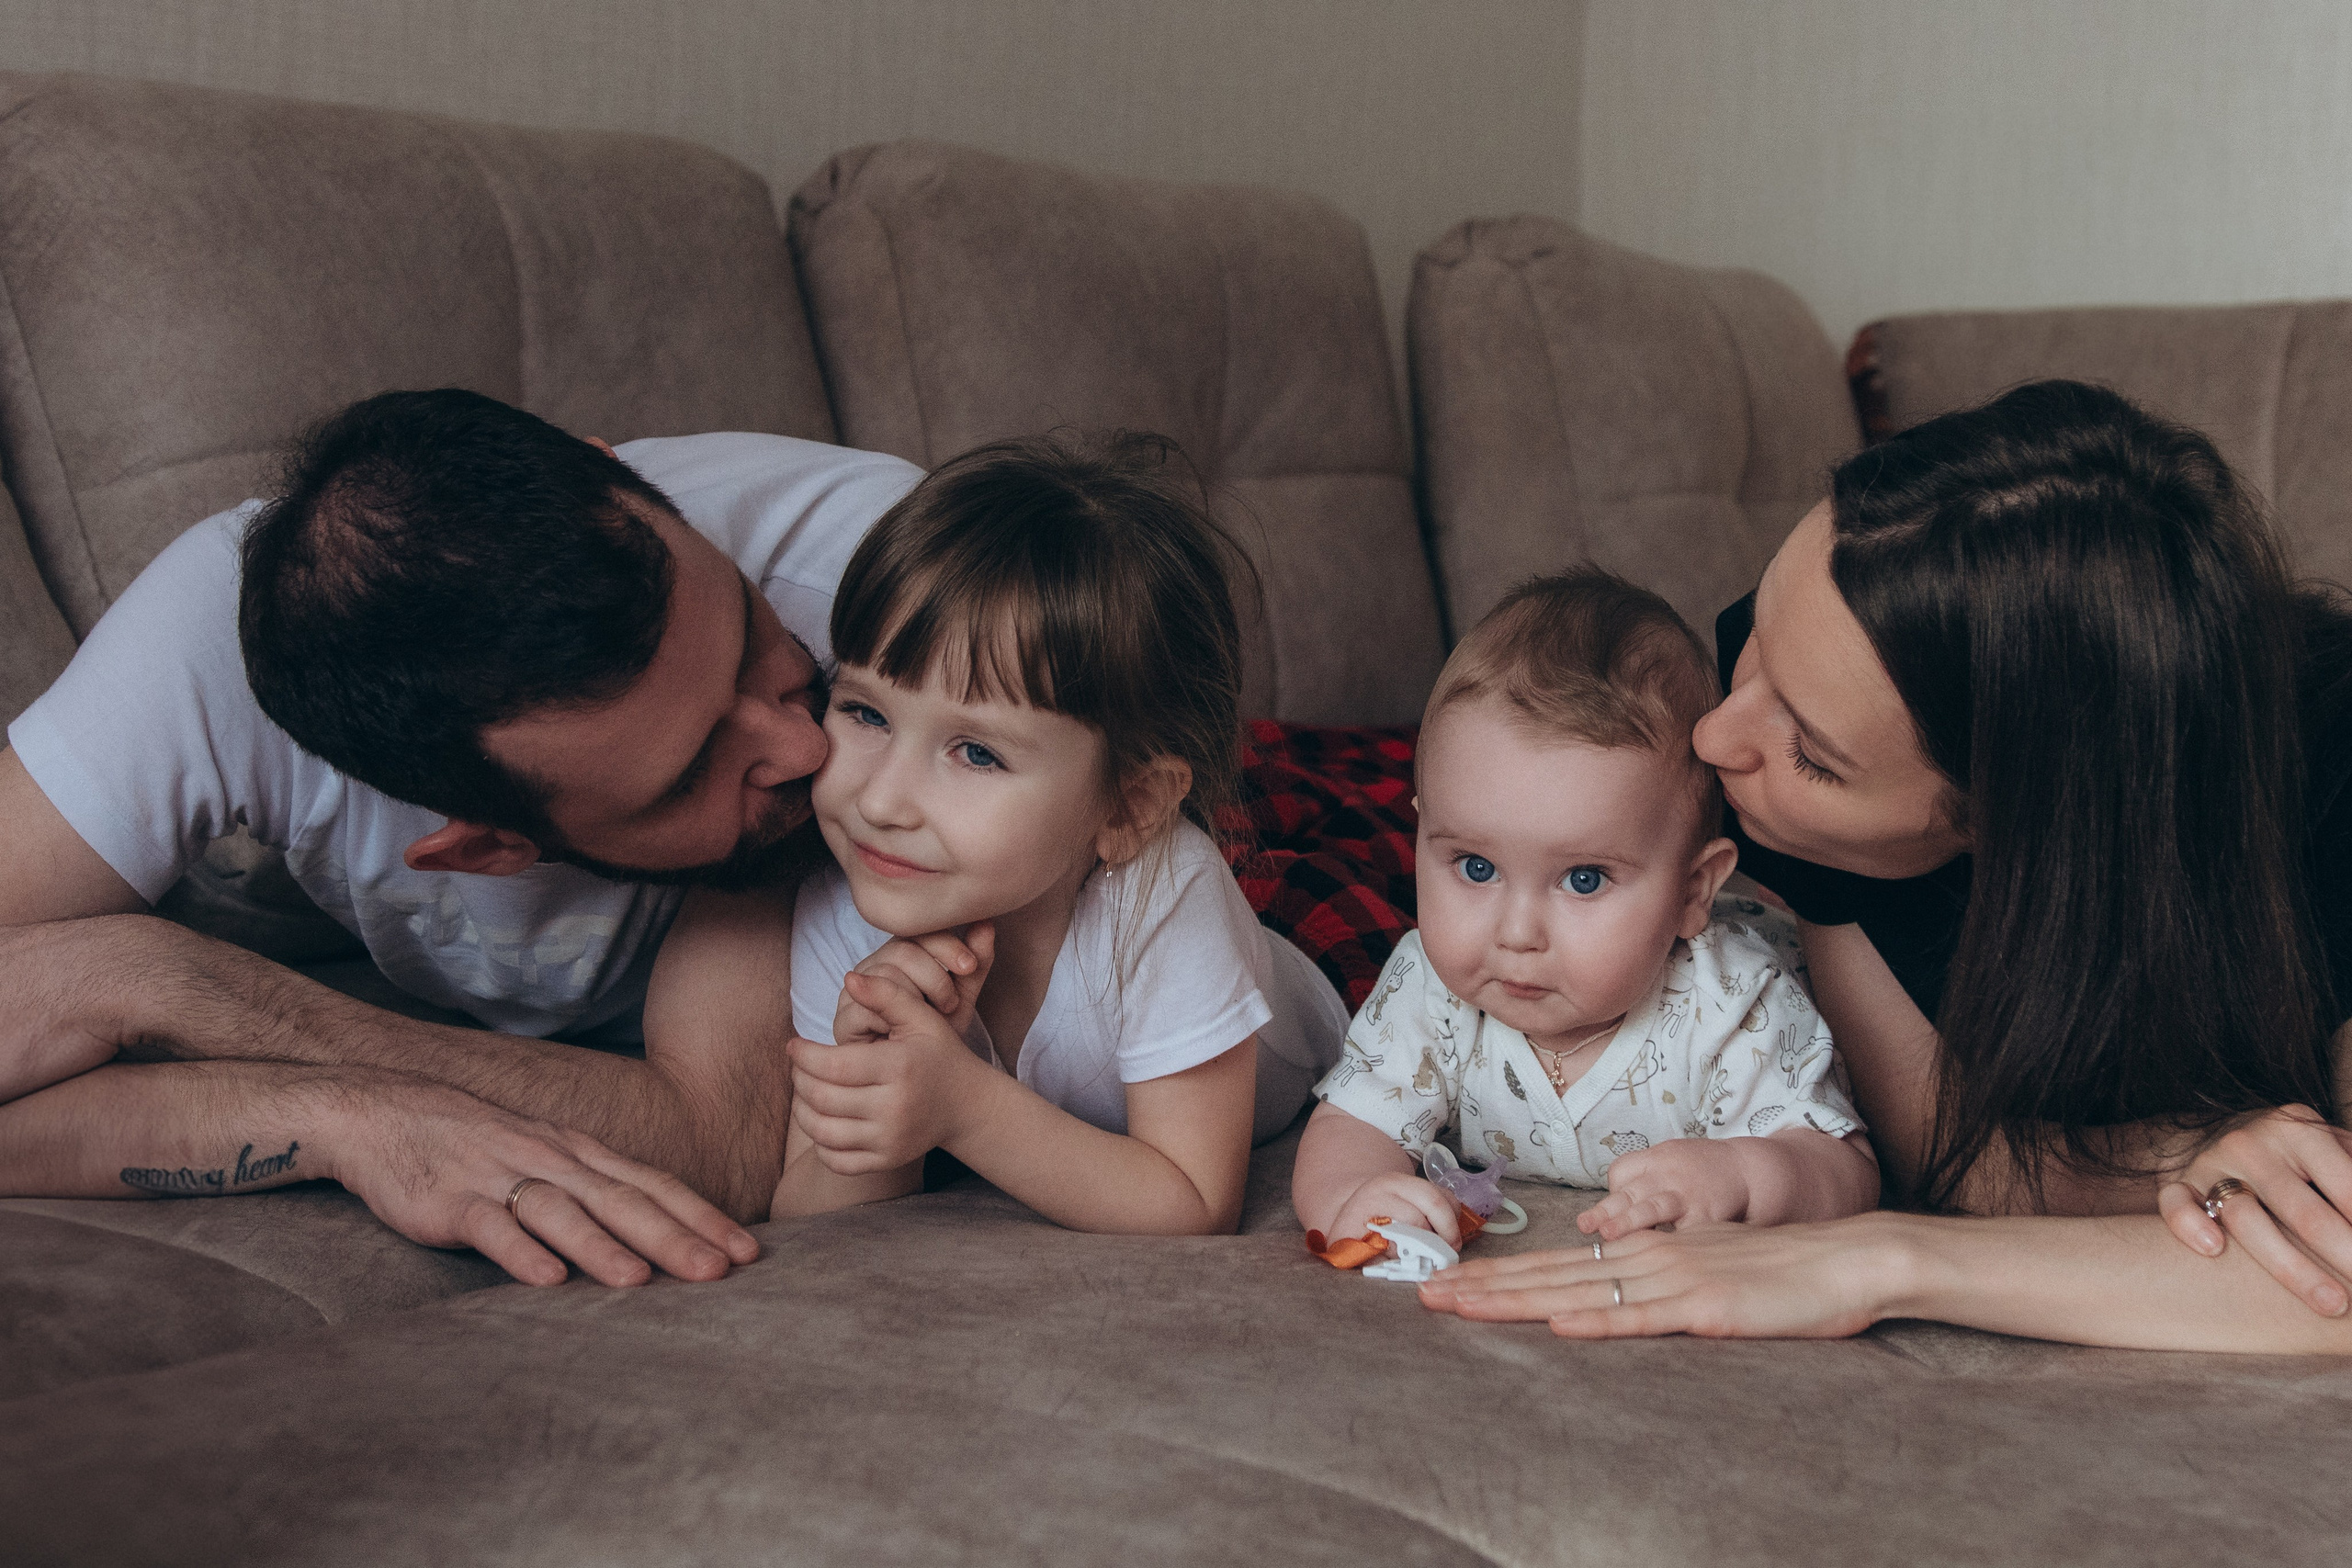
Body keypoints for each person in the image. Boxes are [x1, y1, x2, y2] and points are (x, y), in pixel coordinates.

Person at [1418, 380, 2352, 1353]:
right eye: (1756, 642)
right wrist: (2192, 1157)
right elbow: (1964, 1159)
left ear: (2020, 831)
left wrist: (1878, 1260)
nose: (1711, 736)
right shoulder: (1795, 723)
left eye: (1813, 755)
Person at [0, 389, 922, 1286]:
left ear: (610, 472)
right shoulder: (199, 655)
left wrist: (187, 994)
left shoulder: (903, 596)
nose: (807, 744)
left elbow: (729, 1145)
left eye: (746, 632)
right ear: (487, 851)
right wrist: (329, 1119)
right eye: (687, 776)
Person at [773, 431, 1347, 1233]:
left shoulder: (1167, 893)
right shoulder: (842, 908)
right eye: (865, 711)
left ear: (1129, 808)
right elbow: (801, 1205)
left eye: (975, 751)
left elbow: (1191, 1200)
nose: (881, 801)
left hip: (1316, 1022)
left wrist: (962, 1108)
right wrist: (890, 1101)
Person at [1291, 570, 1877, 1251]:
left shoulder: (1734, 1001)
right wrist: (1350, 1192)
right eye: (1476, 868)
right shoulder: (1430, 986)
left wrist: (1747, 1172)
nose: (1516, 934)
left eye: (1584, 879)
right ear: (1421, 837)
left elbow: (1845, 1169)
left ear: (1693, 891)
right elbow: (1351, 1124)